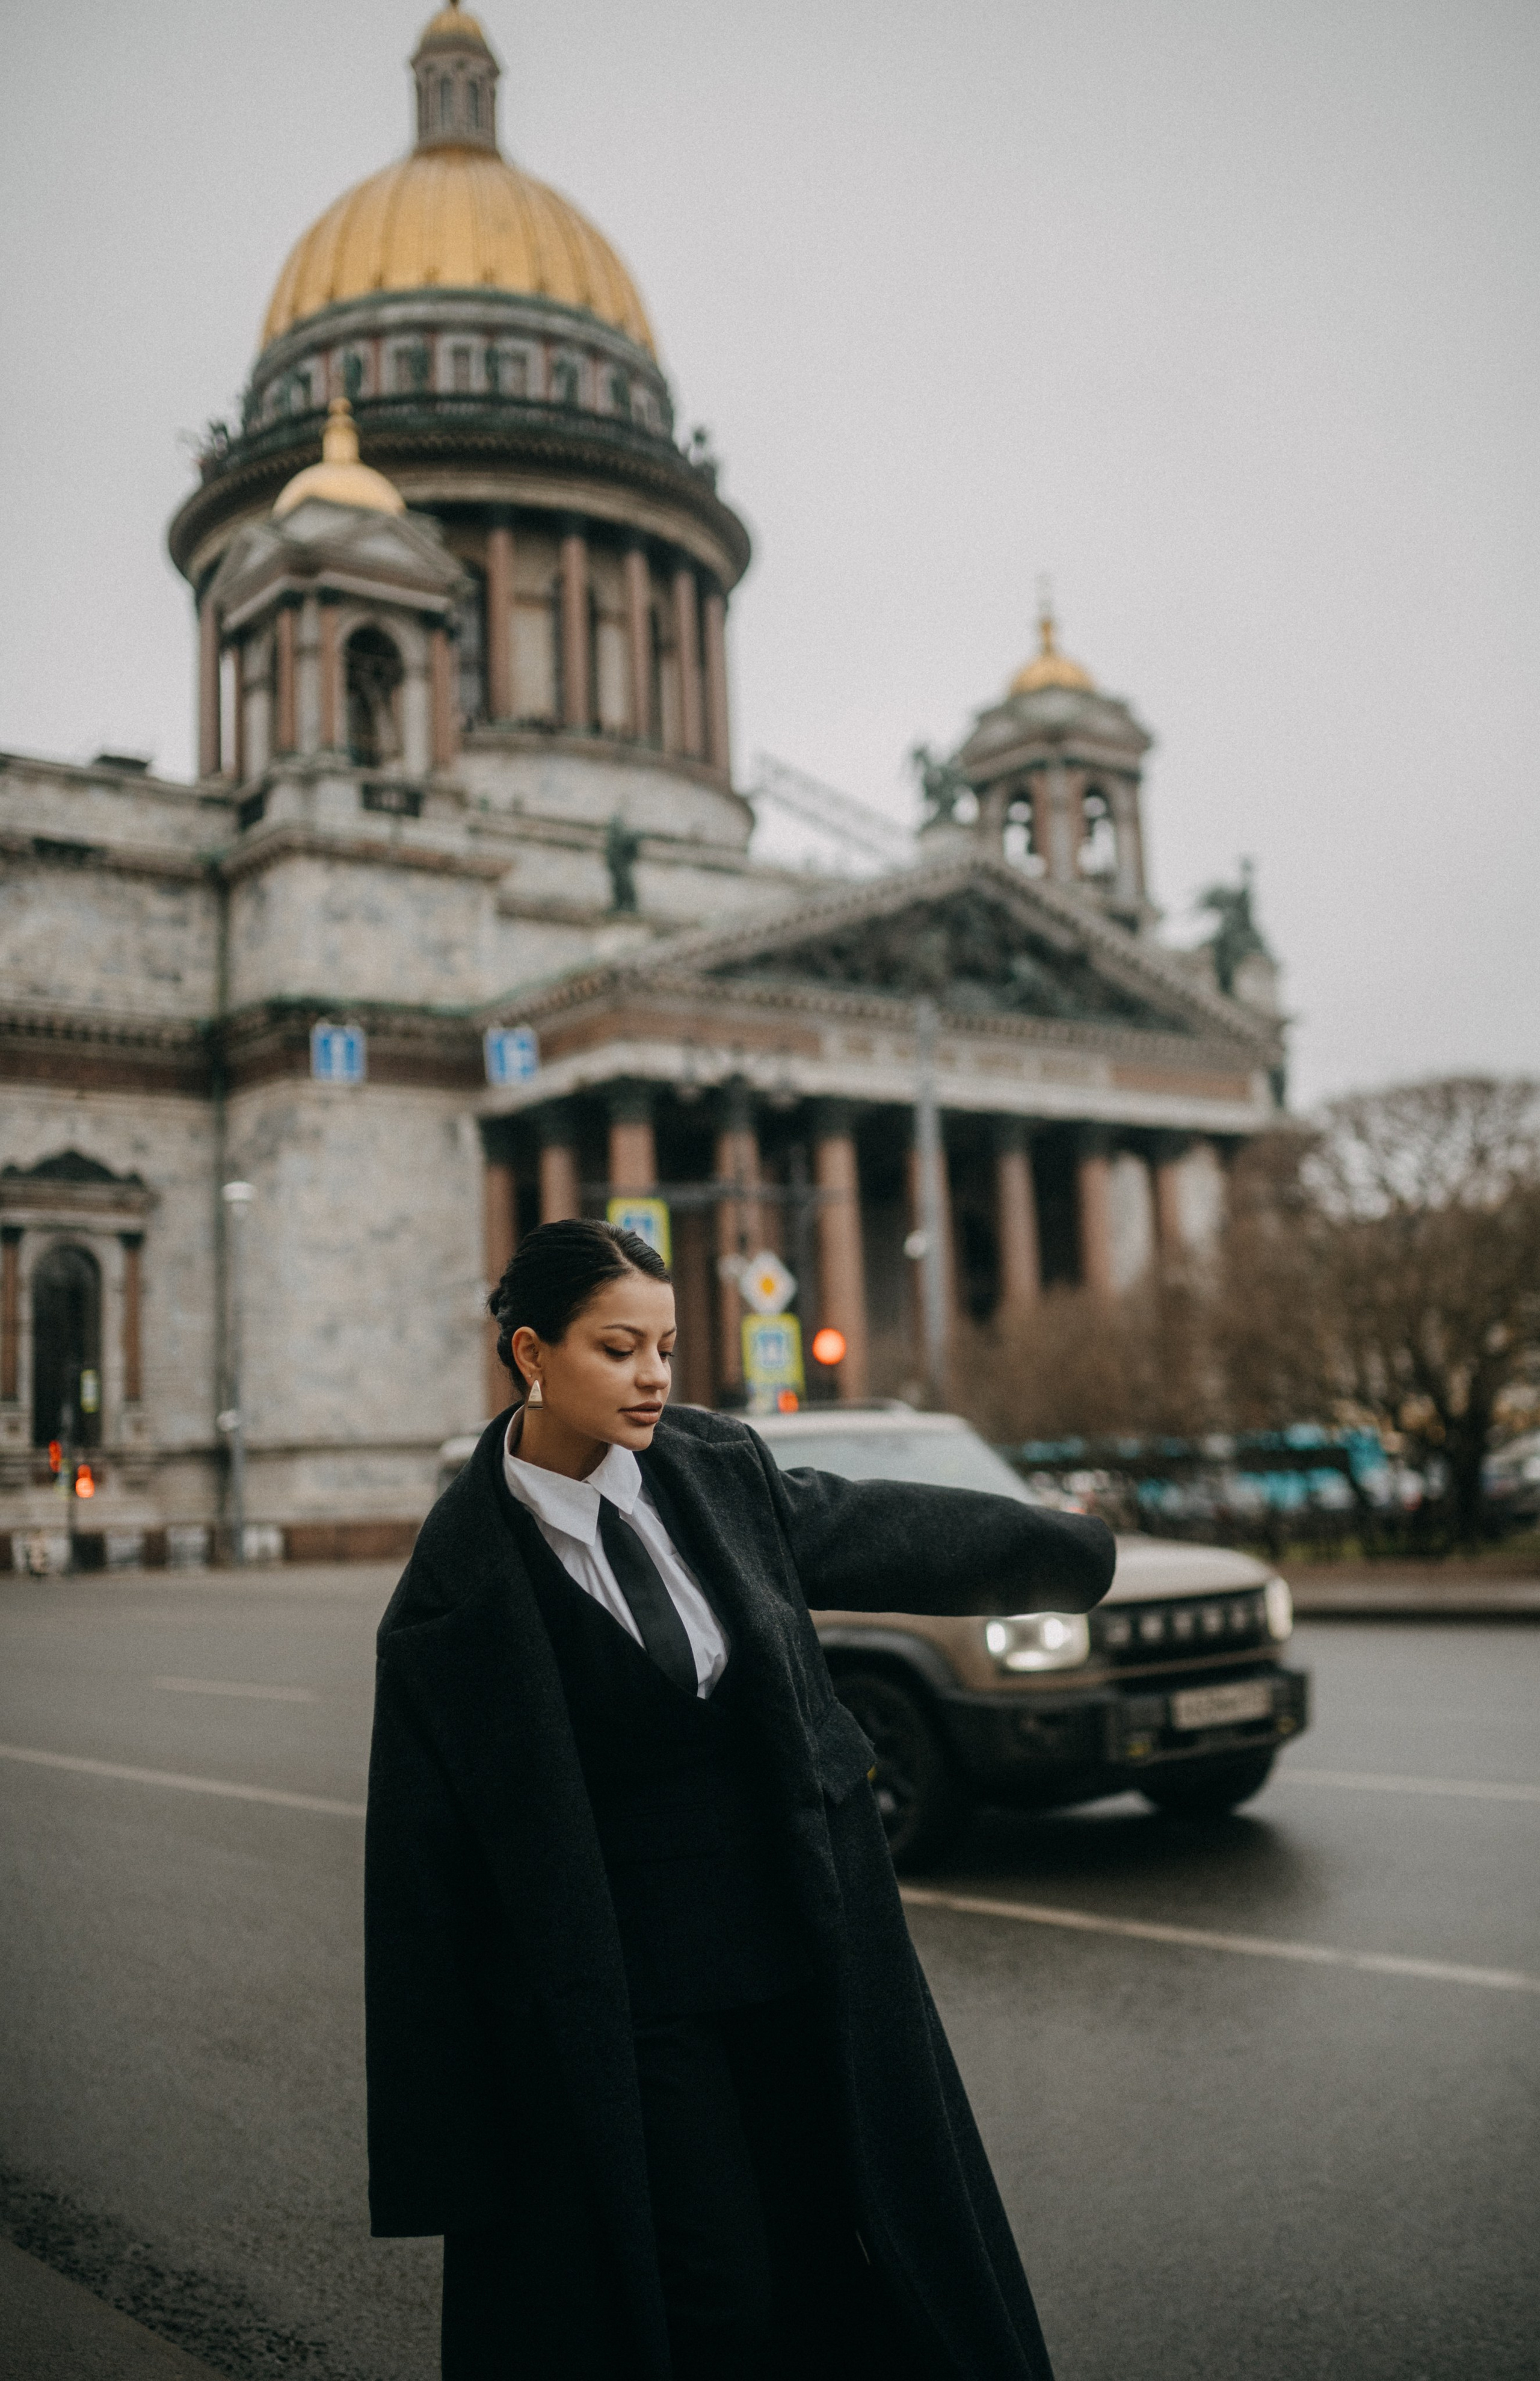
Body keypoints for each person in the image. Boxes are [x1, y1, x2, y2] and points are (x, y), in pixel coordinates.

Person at [365, 1219, 1115, 2381]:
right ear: (532, 1353)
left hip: (799, 1945)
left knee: (838, 2250)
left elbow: (872, 1527)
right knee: (717, 2290)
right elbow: (420, 1882)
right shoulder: (451, 1595)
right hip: (633, 1996)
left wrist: (1067, 1551)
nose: (654, 1376)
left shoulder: (713, 1468)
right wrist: (441, 2150)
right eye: (619, 1348)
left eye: (665, 1347)